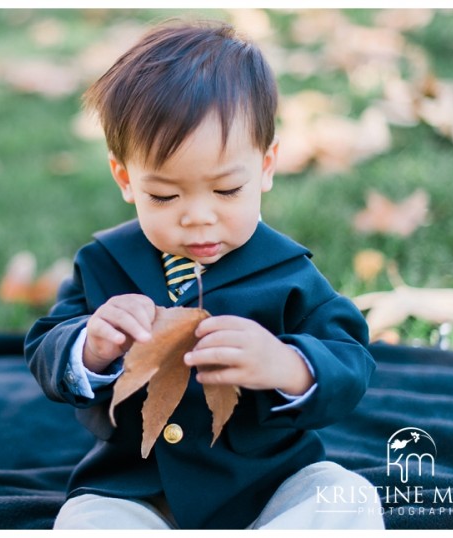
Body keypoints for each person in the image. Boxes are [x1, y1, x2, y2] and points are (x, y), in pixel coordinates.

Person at [24, 19, 383, 530]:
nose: (197, 216)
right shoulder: (105, 263)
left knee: (346, 497)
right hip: (136, 486)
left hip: (266, 481)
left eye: (227, 191)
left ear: (265, 166)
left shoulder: (288, 273)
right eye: (165, 196)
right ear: (125, 178)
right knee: (86, 521)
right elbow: (44, 347)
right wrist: (89, 348)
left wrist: (287, 365)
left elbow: (352, 361)